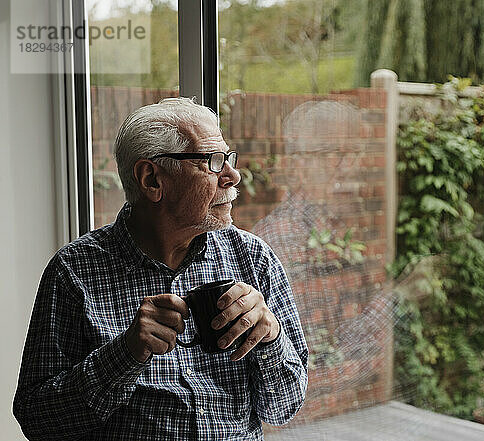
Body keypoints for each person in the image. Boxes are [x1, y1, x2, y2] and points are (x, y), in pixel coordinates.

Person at [13, 97, 308, 440]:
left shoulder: (253, 258)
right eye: (212, 162)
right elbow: (37, 421)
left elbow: (283, 408)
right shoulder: (75, 271)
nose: (233, 175)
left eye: (228, 158)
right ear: (152, 179)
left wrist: (270, 338)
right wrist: (124, 355)